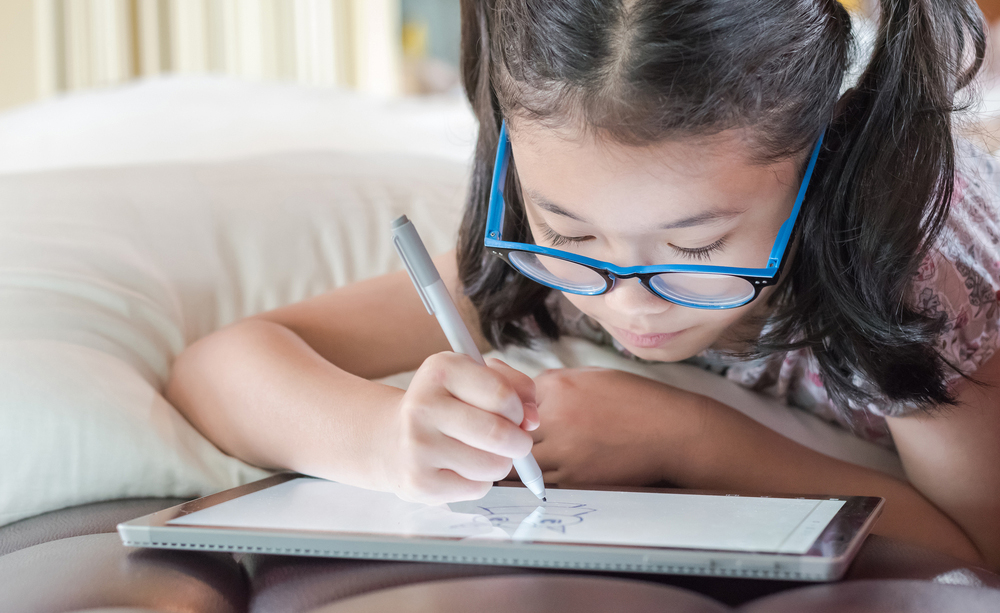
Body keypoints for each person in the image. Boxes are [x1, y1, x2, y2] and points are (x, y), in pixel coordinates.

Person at [165, 0, 1000, 570]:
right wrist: (392, 440)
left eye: (696, 244)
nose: (627, 301)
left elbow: (973, 548)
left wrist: (687, 437)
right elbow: (221, 368)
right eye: (568, 229)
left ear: (823, 161)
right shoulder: (549, 265)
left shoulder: (917, 264)